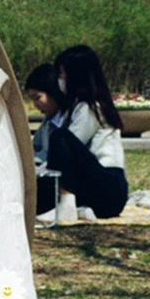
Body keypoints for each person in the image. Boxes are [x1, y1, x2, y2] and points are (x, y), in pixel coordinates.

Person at [45, 44, 129, 220]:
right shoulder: (76, 107)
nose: (59, 80)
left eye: (61, 74)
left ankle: (67, 202)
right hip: (97, 189)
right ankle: (81, 209)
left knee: (60, 137)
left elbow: (67, 149)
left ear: (75, 76)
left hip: (108, 187)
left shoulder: (90, 108)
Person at [23, 63, 71, 215]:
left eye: (38, 98)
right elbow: (34, 149)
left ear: (53, 92)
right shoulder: (48, 122)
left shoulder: (71, 119)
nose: (36, 105)